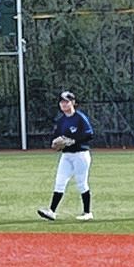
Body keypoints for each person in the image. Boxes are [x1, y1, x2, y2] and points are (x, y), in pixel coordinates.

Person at [37, 91, 96, 220]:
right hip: (66, 155)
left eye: (66, 101)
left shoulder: (79, 117)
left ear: (73, 103)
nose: (64, 104)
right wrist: (54, 142)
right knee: (60, 182)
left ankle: (87, 213)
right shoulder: (61, 120)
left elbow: (89, 134)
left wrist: (74, 140)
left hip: (81, 154)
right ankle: (51, 211)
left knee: (81, 183)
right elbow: (56, 136)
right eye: (62, 102)